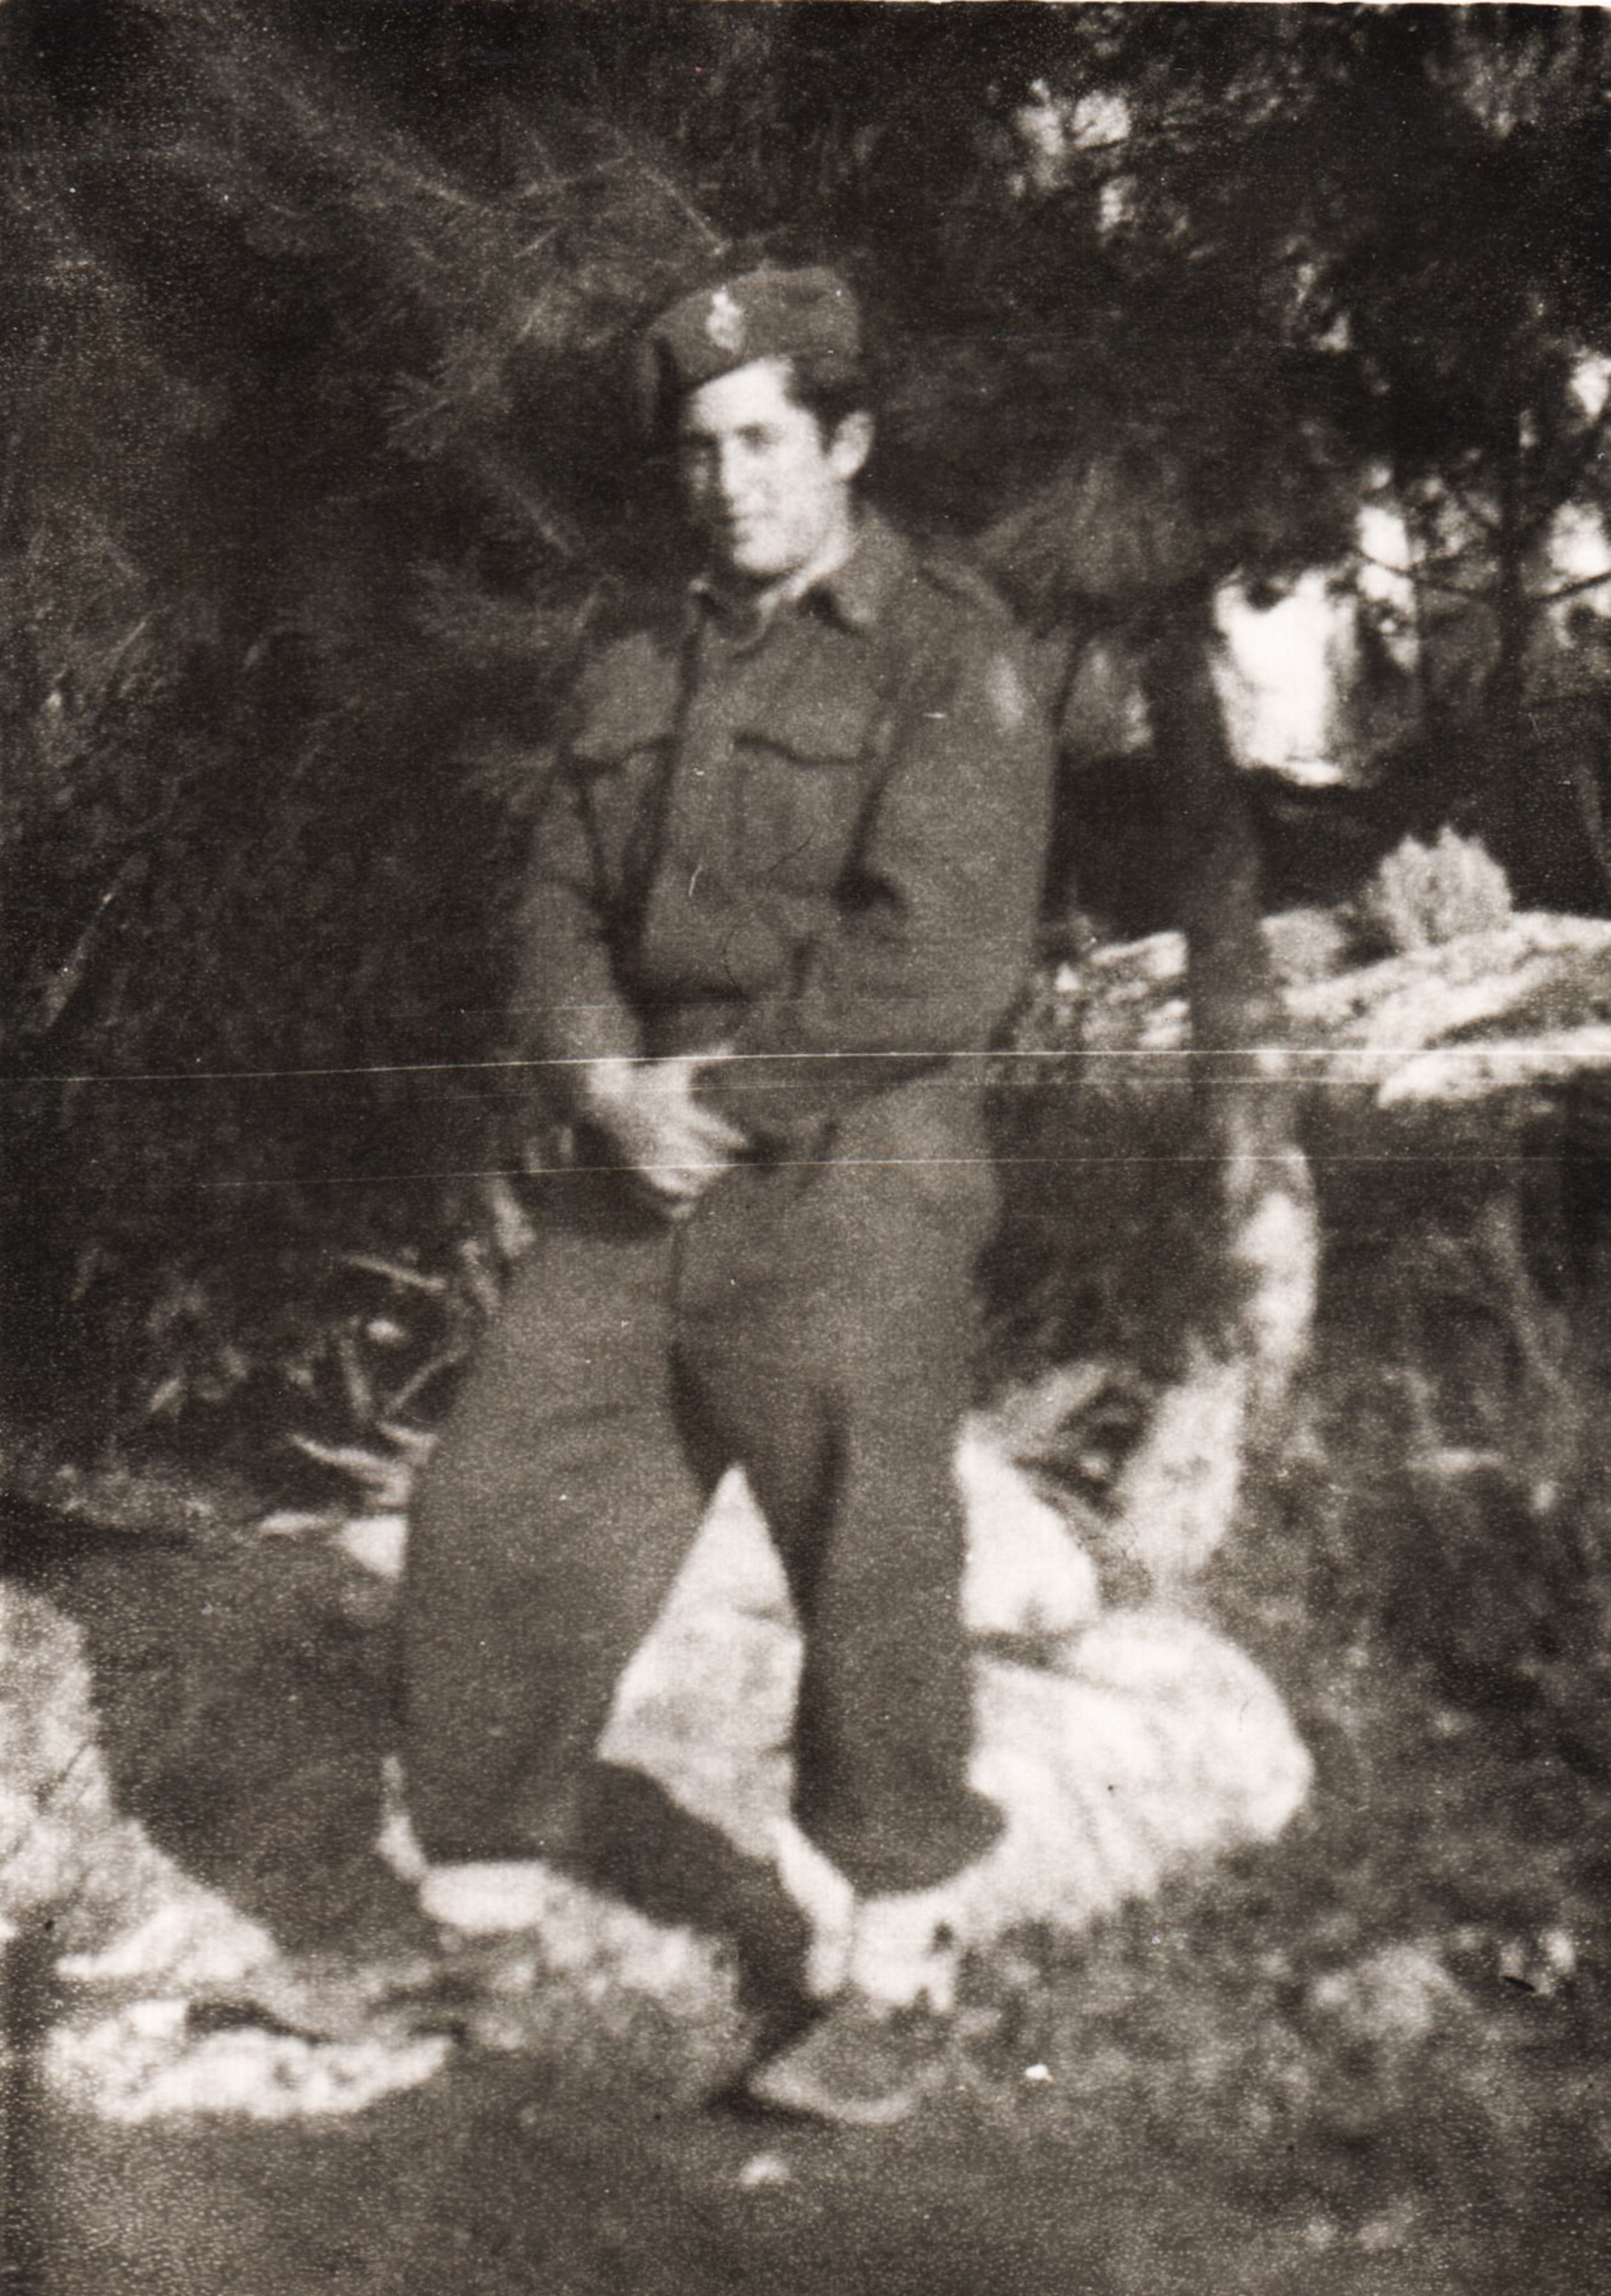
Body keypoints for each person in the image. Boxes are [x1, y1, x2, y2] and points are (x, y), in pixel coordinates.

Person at [399, 263, 1055, 2124]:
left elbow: (941, 957)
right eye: (698, 450)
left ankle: (897, 1959)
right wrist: (610, 1081)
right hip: (645, 1138)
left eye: (765, 440)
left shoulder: (944, 650)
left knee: (867, 1544)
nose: (729, 481)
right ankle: (474, 1927)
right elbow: (552, 906)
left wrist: (725, 1096)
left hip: (854, 1150)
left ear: (845, 445)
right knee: (500, 1492)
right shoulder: (639, 658)